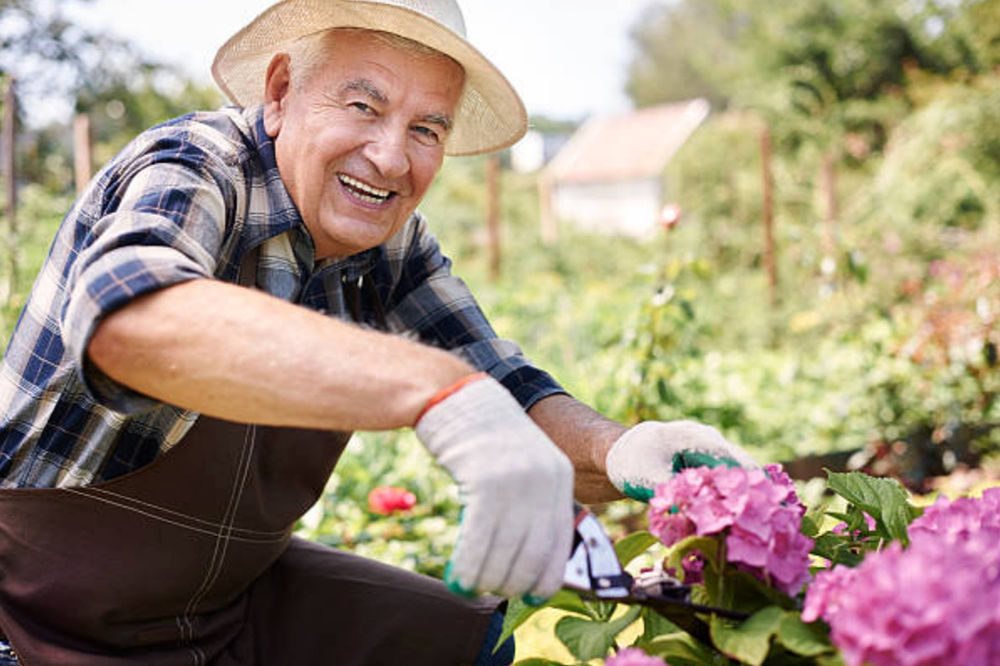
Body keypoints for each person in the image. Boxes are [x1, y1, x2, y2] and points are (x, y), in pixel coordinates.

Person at [0, 1, 756, 664]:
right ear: (280, 92)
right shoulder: (197, 166)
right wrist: (435, 389)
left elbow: (504, 387)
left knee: (467, 638)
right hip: (36, 611)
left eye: (426, 128)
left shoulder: (390, 245)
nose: (392, 158)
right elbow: (131, 321)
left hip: (223, 599)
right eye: (364, 106)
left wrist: (619, 449)